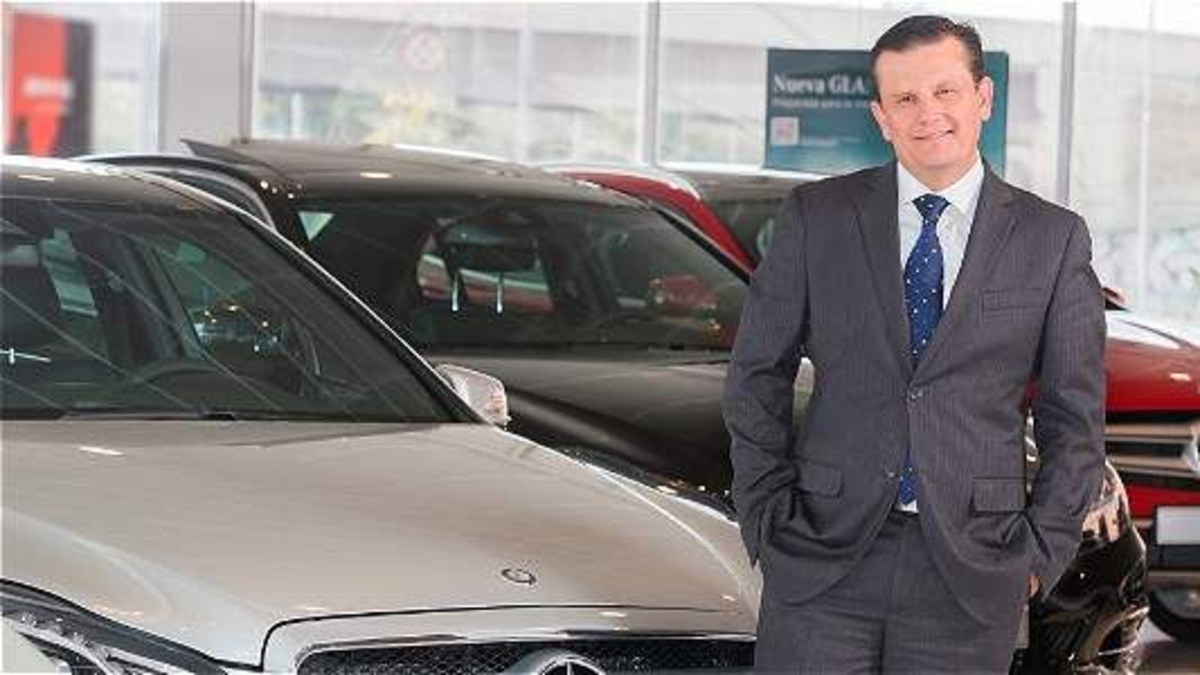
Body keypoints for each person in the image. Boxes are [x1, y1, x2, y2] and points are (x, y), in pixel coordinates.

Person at [723, 15, 1106, 673]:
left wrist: (1039, 554)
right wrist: (766, 516)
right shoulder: (818, 217)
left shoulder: (1053, 239)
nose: (928, 113)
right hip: (819, 558)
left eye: (945, 91)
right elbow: (757, 374)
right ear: (881, 116)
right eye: (905, 98)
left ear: (983, 97)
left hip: (973, 570)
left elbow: (1075, 419)